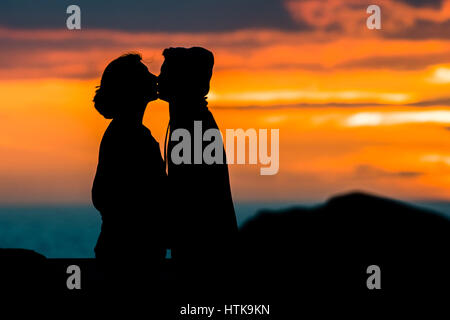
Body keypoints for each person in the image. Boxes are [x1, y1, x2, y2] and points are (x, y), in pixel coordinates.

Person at [158, 47, 238, 276]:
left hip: (204, 254)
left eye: (165, 73)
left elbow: (190, 194)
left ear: (181, 80)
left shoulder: (193, 124)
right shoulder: (190, 119)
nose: (159, 78)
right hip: (203, 250)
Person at [91, 53, 167, 282]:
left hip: (122, 252)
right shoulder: (128, 135)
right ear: (130, 88)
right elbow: (103, 196)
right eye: (145, 75)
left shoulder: (126, 132)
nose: (154, 78)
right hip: (129, 259)